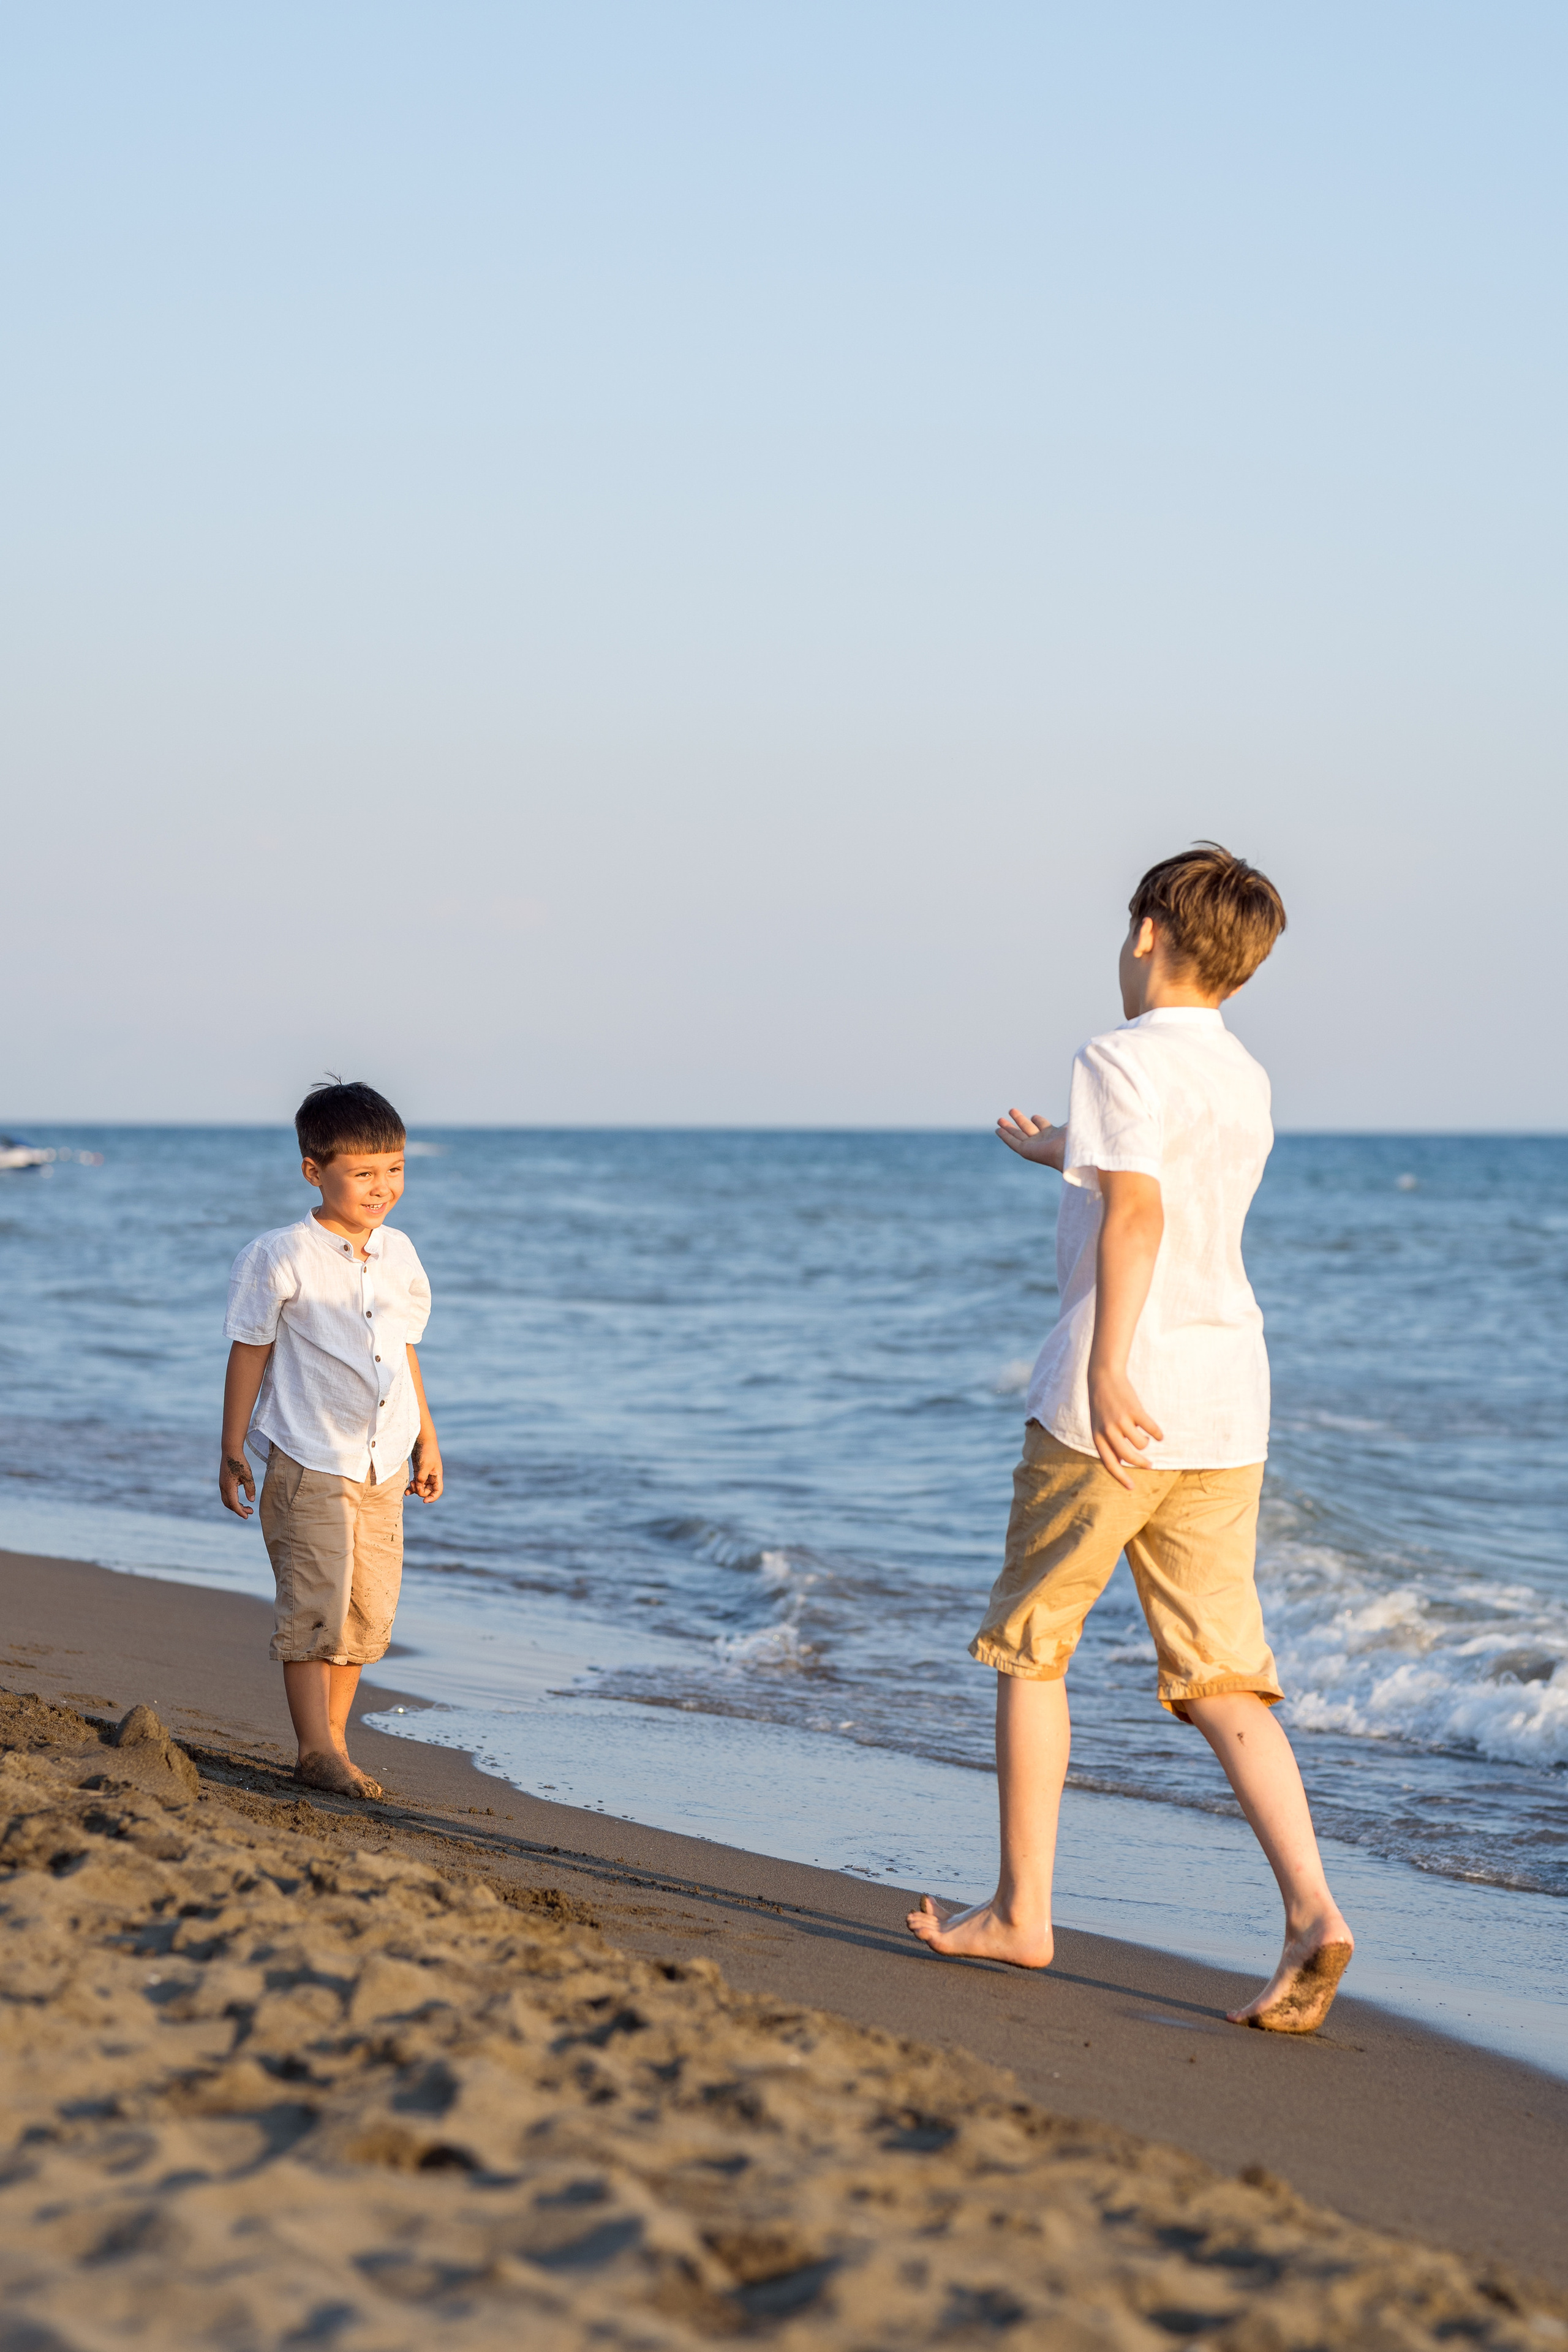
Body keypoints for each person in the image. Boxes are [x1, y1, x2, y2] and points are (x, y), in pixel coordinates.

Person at [909, 845, 1354, 2033]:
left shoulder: (1117, 1053)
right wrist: (1064, 1147)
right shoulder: (1242, 1076)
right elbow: (1166, 1170)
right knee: (1221, 1674)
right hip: (1226, 1405)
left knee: (1031, 1647)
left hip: (1113, 1404)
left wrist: (1106, 1362)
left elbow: (1142, 1210)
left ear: (1149, 933)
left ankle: (1021, 1912)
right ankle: (1312, 1907)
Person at [217, 1081, 443, 1799]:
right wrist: (231, 1449)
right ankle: (314, 1749)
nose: (383, 1187)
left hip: (384, 1459)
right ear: (314, 1171)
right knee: (315, 1604)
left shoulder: (399, 1252)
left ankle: (335, 1745)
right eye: (364, 1172)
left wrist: (427, 1439)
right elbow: (249, 1350)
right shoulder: (280, 1254)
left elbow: (403, 1351)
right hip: (310, 1457)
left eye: (395, 1169)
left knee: (366, 1609)